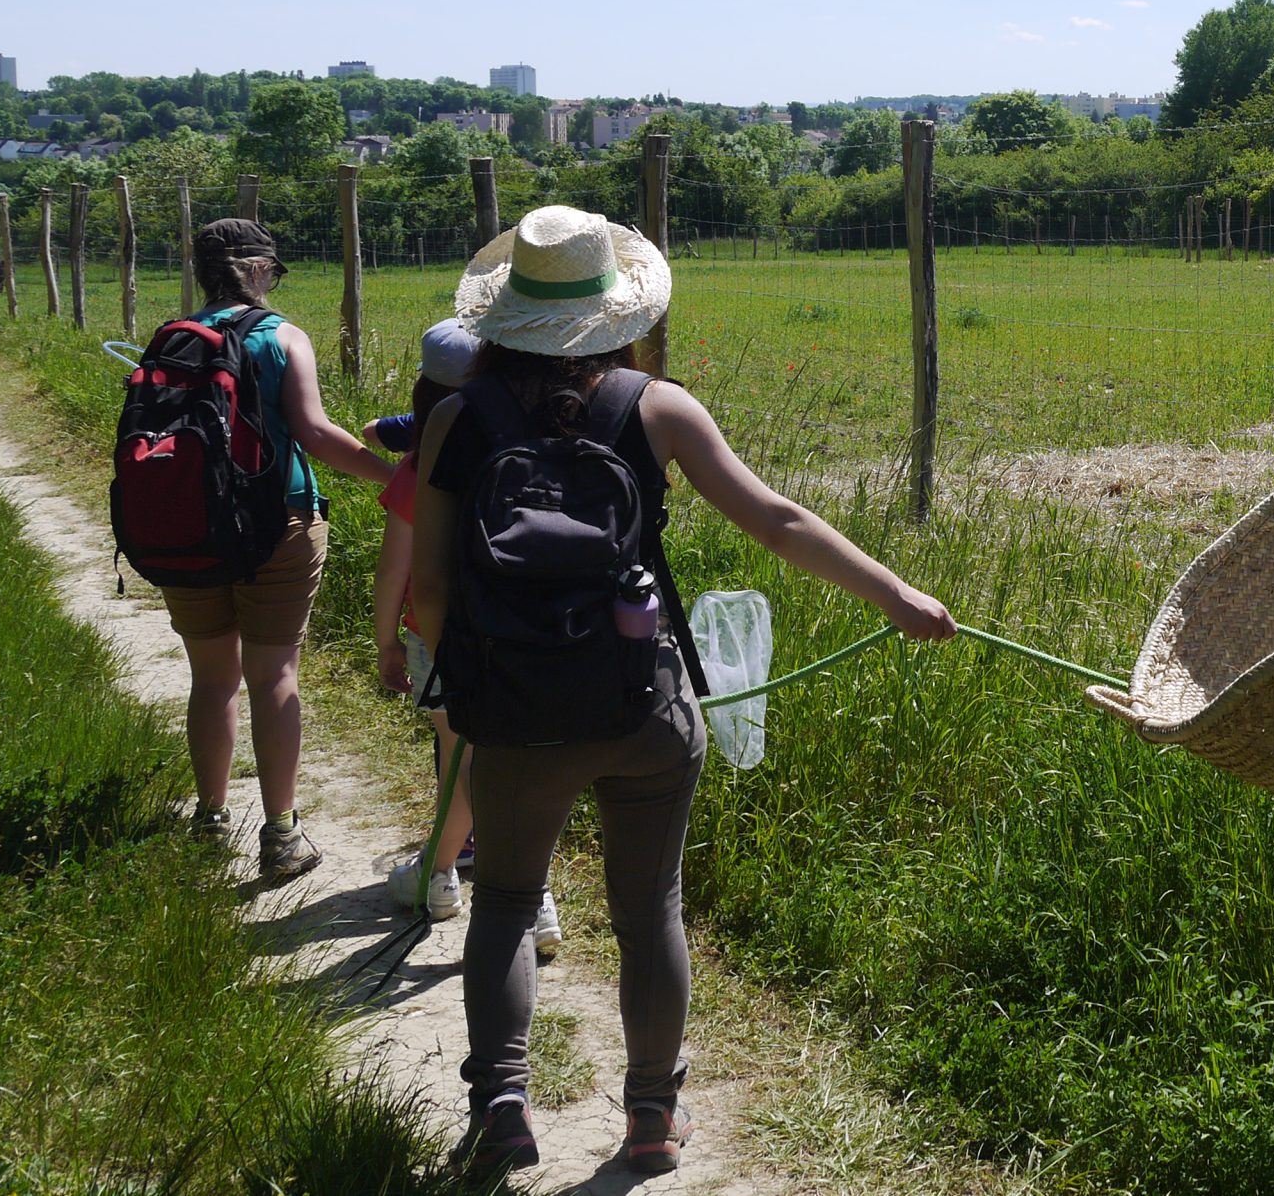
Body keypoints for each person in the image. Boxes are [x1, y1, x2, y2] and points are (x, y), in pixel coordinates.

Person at [407, 206, 956, 1178]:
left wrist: (472, 689)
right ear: (614, 314)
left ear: (505, 316)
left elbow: (429, 591)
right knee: (649, 908)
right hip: (642, 704)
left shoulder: (455, 420)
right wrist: (896, 593)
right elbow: (778, 520)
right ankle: (654, 1118)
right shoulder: (657, 407)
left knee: (501, 901)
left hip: (515, 717)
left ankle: (500, 1101)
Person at [162, 218, 393, 876]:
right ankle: (281, 835)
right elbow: (316, 434)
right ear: (258, 270)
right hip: (279, 525)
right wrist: (400, 480)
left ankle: (209, 821)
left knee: (211, 679)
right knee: (274, 678)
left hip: (188, 531)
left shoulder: (173, 339)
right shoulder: (281, 336)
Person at [369, 319, 563, 956]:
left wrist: (387, 643)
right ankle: (535, 901)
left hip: (442, 637)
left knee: (463, 761)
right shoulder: (539, 453)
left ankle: (439, 875)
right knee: (524, 764)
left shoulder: (418, 468)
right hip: (525, 635)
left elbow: (396, 570)